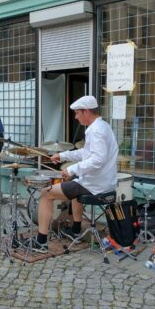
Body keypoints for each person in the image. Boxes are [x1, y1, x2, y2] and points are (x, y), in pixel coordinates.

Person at [27, 95, 118, 253]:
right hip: (102, 181)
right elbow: (86, 152)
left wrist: (71, 169)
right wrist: (62, 156)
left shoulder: (96, 131)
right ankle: (76, 230)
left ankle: (41, 241)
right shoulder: (102, 126)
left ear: (86, 111)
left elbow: (97, 160)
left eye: (77, 113)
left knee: (46, 193)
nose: (76, 117)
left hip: (95, 185)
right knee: (75, 184)